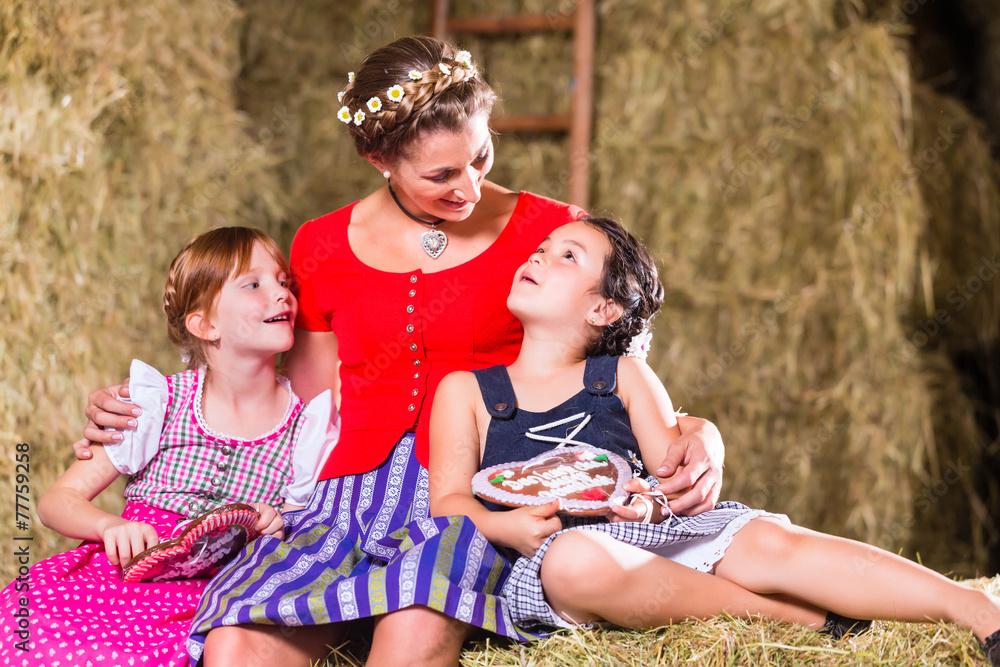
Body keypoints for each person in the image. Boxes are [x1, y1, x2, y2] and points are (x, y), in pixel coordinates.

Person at [76, 37, 727, 667]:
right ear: (377, 159)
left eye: (481, 157)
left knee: (414, 625)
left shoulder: (553, 231)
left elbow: (617, 367)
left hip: (475, 498)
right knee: (236, 642)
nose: (469, 188)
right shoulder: (320, 245)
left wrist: (700, 433)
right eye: (441, 174)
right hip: (338, 502)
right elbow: (295, 398)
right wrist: (161, 406)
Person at [428, 215, 1000, 664]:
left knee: (770, 544)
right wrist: (507, 527)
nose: (539, 257)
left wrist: (647, 503)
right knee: (573, 560)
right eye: (541, 249)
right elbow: (448, 501)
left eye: (566, 256)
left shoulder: (624, 377)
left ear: (603, 308)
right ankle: (794, 621)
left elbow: (668, 482)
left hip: (663, 544)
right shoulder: (468, 392)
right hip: (571, 565)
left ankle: (970, 606)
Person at [0, 227, 338, 667]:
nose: (282, 295)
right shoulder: (157, 403)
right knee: (32, 627)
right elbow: (56, 501)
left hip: (214, 592)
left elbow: (304, 534)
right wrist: (108, 527)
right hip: (127, 574)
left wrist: (274, 524)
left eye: (283, 282)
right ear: (205, 324)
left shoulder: (306, 424)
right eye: (254, 284)